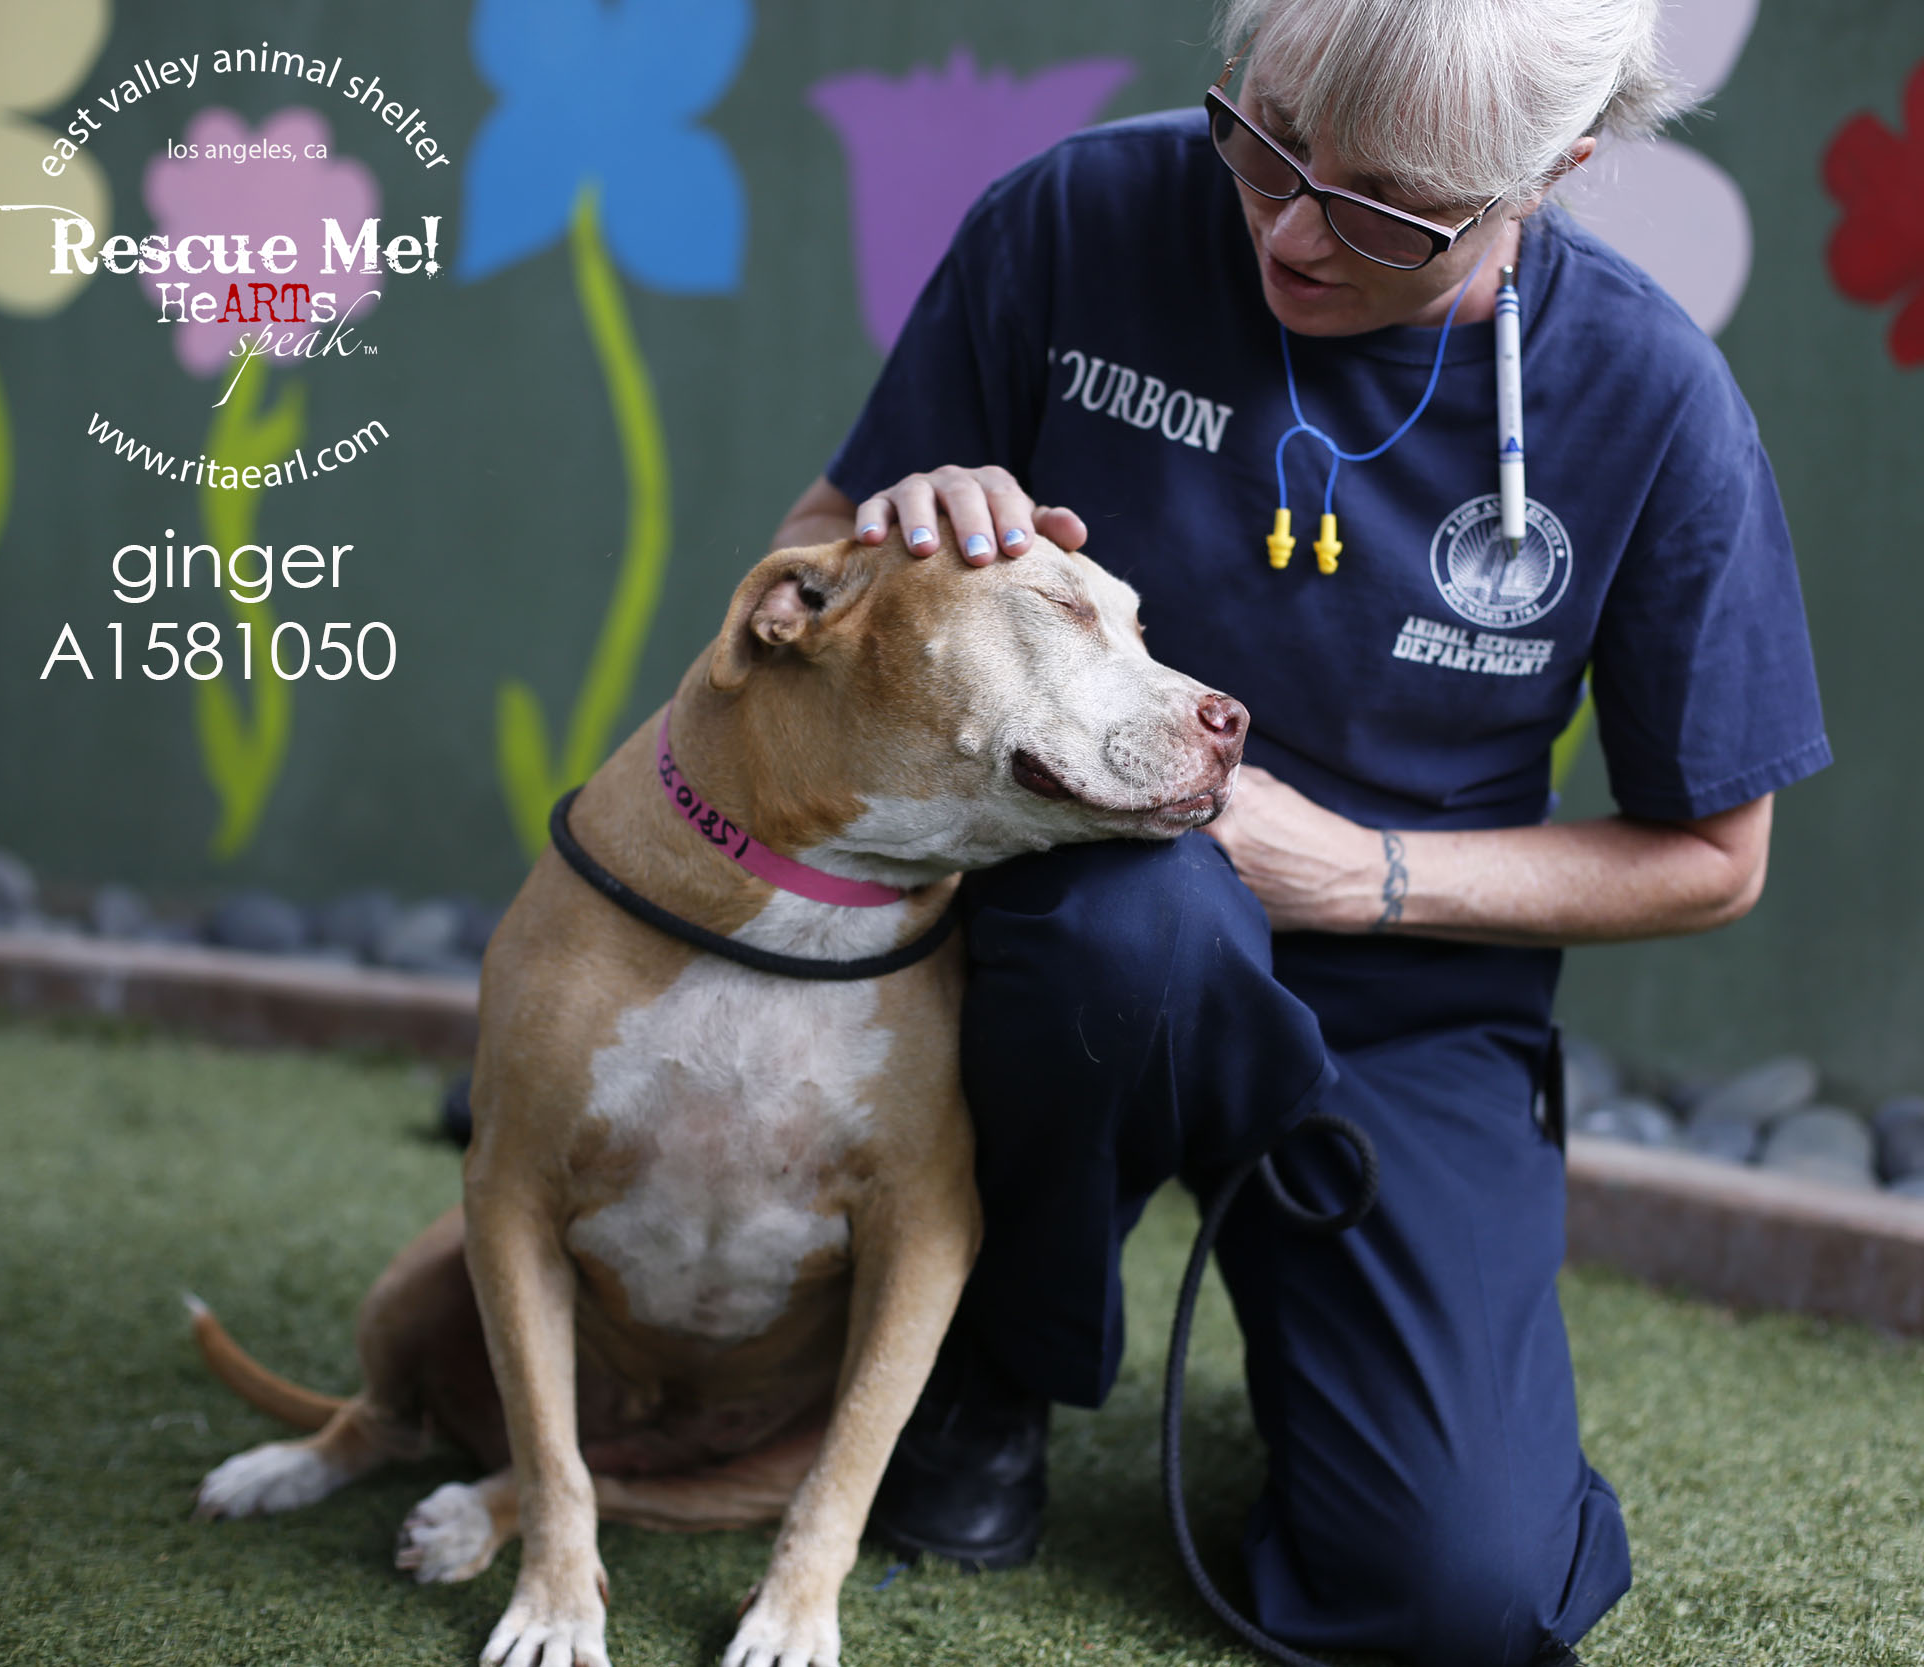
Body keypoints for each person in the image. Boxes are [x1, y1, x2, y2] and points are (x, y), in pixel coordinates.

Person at [770, 0, 1830, 1660]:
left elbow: (1715, 859)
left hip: (1401, 1000)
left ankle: (1358, 1390)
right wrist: (905, 532)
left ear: (1557, 171)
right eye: (1266, 144)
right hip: (1055, 949)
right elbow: (815, 558)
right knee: (1147, 917)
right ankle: (998, 1362)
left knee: (1456, 1597)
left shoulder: (1649, 396)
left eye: (1385, 206)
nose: (1288, 226)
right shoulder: (1078, 218)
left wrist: (1365, 872)